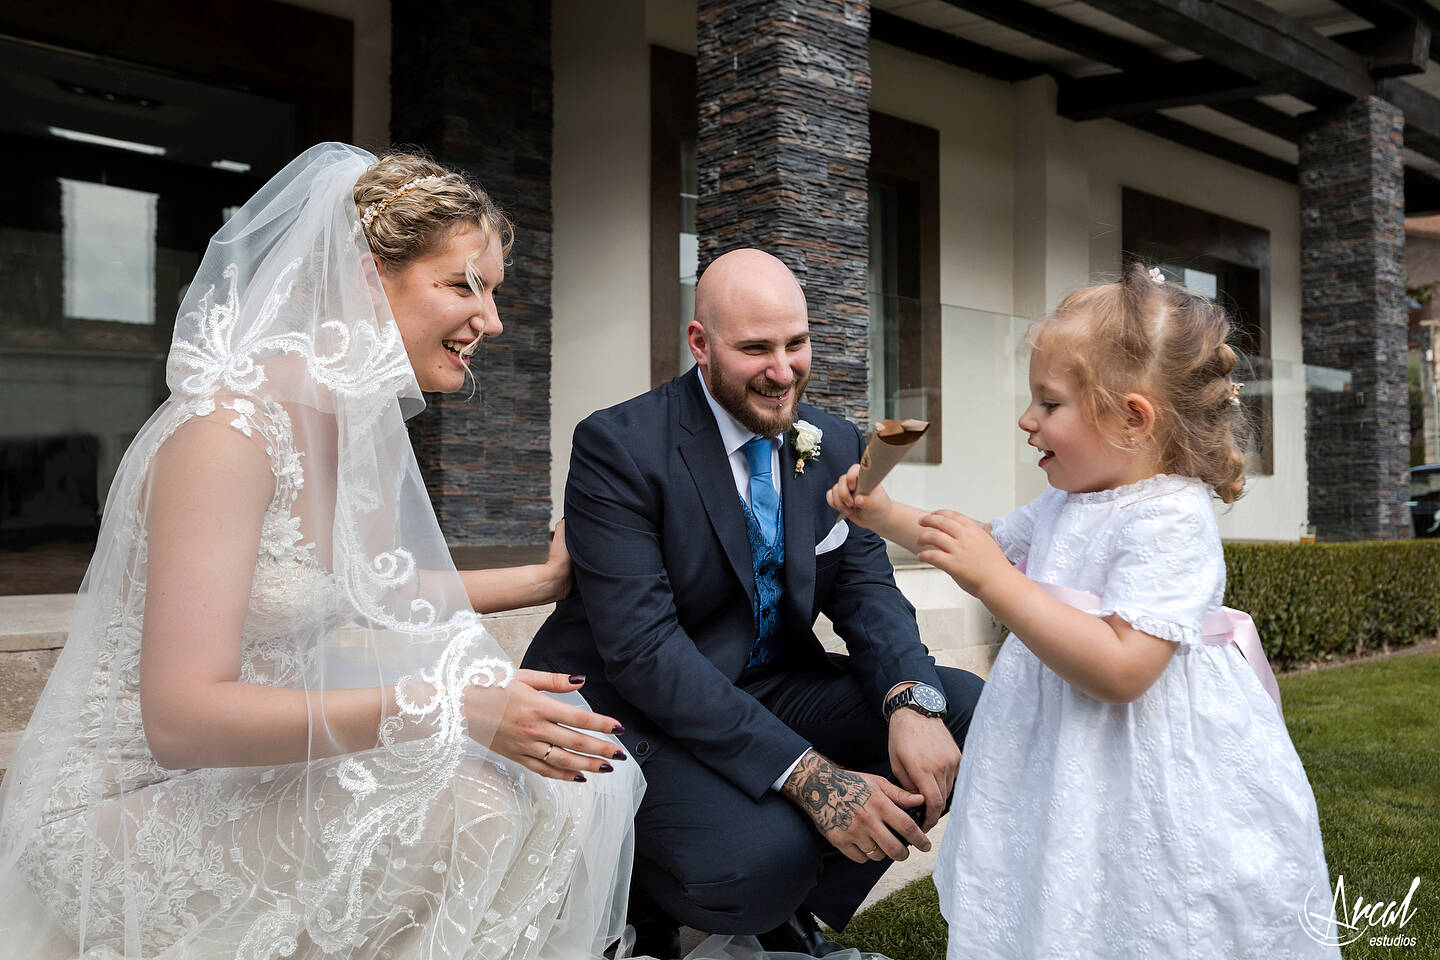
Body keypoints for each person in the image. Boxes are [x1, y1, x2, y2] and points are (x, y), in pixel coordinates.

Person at [0, 143, 644, 960]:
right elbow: (179, 718)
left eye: (493, 290)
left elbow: (378, 587)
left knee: (556, 789)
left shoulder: (347, 425)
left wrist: (541, 580)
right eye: (464, 284)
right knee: (468, 806)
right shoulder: (225, 435)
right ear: (368, 276)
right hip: (132, 801)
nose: (491, 318)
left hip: (235, 777)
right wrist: (444, 707)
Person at [827, 263, 1339, 959]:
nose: (1026, 419)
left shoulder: (1171, 518)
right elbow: (967, 542)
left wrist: (996, 584)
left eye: (1050, 403)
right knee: (1057, 886)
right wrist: (883, 511)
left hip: (1145, 759)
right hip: (1062, 750)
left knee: (1144, 899)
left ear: (1132, 418)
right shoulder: (1067, 503)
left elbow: (1126, 670)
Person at [523, 249, 985, 957]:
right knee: (763, 858)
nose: (782, 370)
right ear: (700, 344)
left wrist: (909, 700)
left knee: (964, 709)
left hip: (768, 683)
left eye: (796, 344)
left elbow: (866, 590)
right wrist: (811, 776)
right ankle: (656, 898)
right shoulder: (617, 445)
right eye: (755, 349)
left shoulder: (830, 442)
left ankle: (794, 915)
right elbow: (645, 653)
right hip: (633, 711)